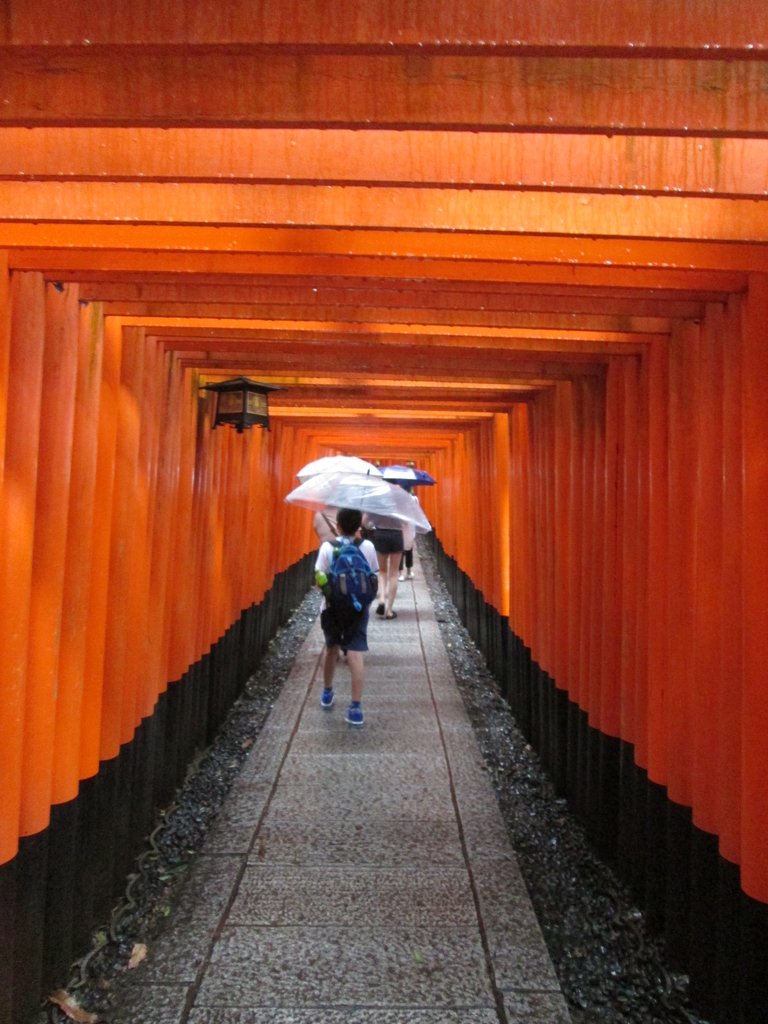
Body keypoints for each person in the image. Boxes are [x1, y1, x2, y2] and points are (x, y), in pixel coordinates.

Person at [315, 507, 379, 726]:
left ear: (338, 526)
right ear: (358, 526)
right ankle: (355, 707)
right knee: (355, 653)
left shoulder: (327, 547)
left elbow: (319, 579)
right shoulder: (368, 547)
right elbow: (373, 576)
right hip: (358, 608)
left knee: (331, 648)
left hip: (331, 607)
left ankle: (327, 691)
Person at [363, 507, 403, 619]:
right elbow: (407, 521)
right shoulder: (400, 500)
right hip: (397, 535)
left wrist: (371, 525)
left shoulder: (378, 500)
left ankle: (381, 600)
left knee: (382, 571)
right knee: (394, 573)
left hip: (381, 534)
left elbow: (364, 522)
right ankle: (389, 610)